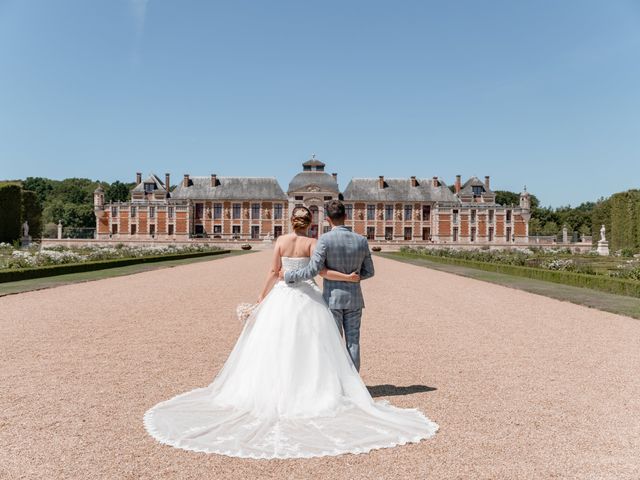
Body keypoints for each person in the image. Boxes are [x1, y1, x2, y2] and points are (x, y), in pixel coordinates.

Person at [144, 206, 437, 459]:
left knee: (273, 345)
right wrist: (348, 276)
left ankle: (277, 391)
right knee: (317, 347)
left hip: (282, 296)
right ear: (310, 223)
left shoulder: (281, 241)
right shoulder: (313, 243)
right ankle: (339, 389)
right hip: (309, 298)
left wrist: (261, 299)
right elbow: (319, 273)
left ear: (290, 221)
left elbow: (274, 272)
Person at [283, 200, 372, 371]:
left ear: (328, 220)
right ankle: (355, 385)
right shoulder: (361, 240)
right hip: (354, 299)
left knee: (333, 343)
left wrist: (290, 276)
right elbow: (369, 271)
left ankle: (339, 383)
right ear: (346, 216)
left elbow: (313, 270)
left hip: (333, 300)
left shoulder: (324, 240)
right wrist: (351, 278)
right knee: (353, 342)